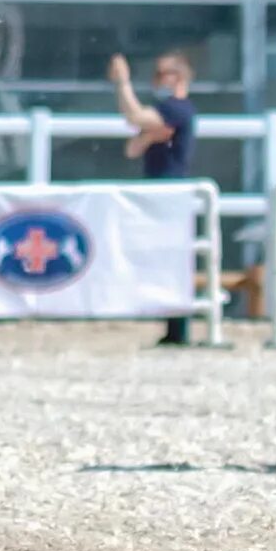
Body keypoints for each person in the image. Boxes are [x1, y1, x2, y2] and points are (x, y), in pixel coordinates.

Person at [111, 48, 201, 345]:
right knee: (164, 256)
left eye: (162, 74)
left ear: (178, 77)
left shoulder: (177, 108)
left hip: (170, 190)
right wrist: (148, 133)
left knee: (173, 257)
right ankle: (174, 326)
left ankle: (179, 327)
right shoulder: (170, 112)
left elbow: (136, 117)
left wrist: (122, 83)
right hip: (159, 189)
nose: (156, 80)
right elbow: (132, 147)